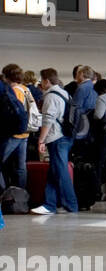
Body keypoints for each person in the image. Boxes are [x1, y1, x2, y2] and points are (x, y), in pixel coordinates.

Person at [30, 69, 79, 215]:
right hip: (67, 136)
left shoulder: (51, 96)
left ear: (46, 81)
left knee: (61, 171)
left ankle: (71, 204)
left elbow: (48, 120)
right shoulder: (64, 93)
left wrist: (41, 140)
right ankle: (49, 204)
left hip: (56, 137)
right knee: (54, 171)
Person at [2, 63, 37, 192]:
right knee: (21, 167)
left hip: (13, 133)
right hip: (26, 132)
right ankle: (21, 195)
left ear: (6, 77)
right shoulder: (25, 89)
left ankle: (4, 193)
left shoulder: (12, 91)